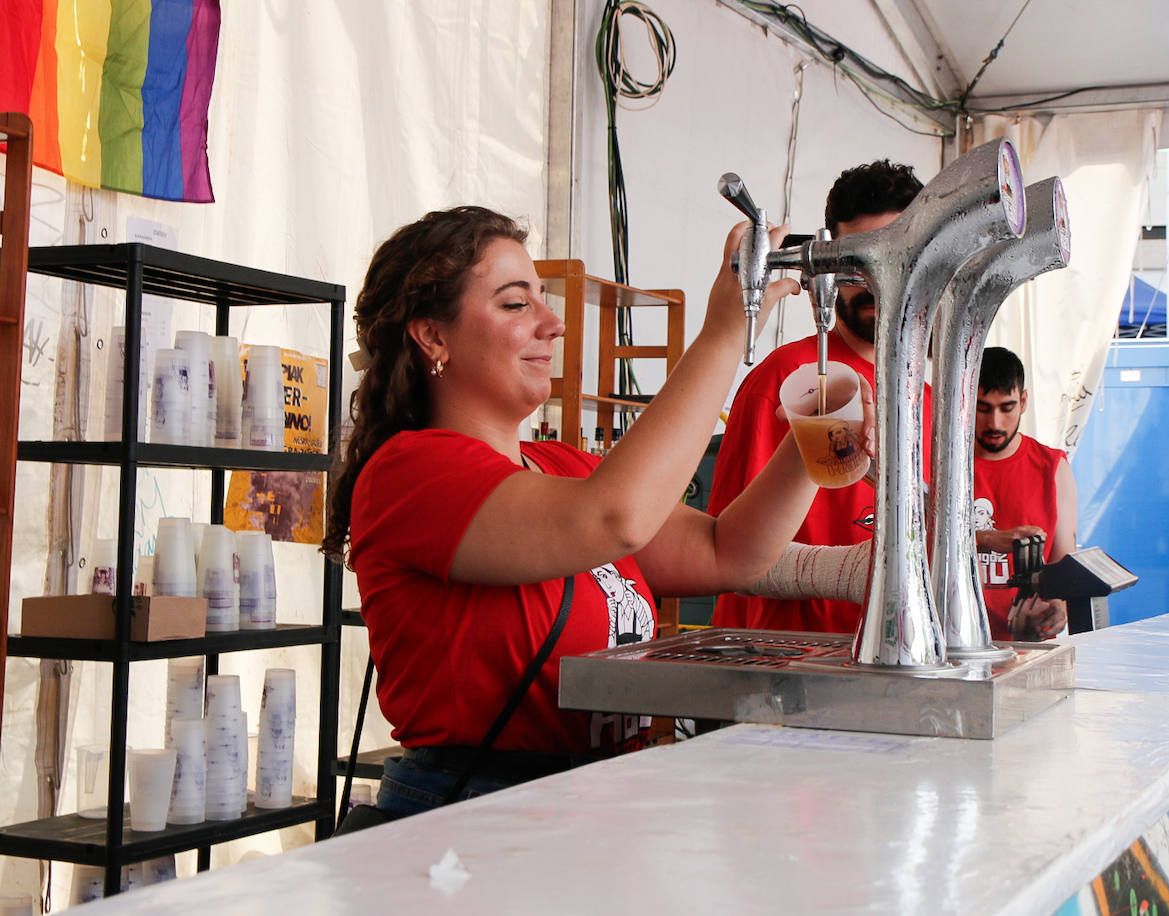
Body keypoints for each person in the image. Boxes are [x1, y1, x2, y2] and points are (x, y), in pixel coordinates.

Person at [322, 206, 873, 819]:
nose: (553, 324)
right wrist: (723, 333)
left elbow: (728, 550)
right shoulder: (410, 474)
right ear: (433, 335)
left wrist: (809, 445)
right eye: (515, 304)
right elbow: (617, 519)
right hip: (478, 821)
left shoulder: (565, 468)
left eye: (543, 299)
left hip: (588, 805)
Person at [707, 160, 927, 634]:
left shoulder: (927, 396)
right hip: (785, 672)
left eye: (889, 260)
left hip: (894, 665)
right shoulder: (785, 380)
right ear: (826, 264)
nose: (870, 281)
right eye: (855, 263)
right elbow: (722, 553)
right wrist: (855, 571)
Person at [972, 346, 1075, 641]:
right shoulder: (940, 463)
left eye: (1007, 408)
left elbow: (1064, 564)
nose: (995, 423)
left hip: (1029, 650)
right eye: (983, 408)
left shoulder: (1053, 467)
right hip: (955, 645)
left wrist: (1058, 607)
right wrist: (990, 539)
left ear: (1024, 401)